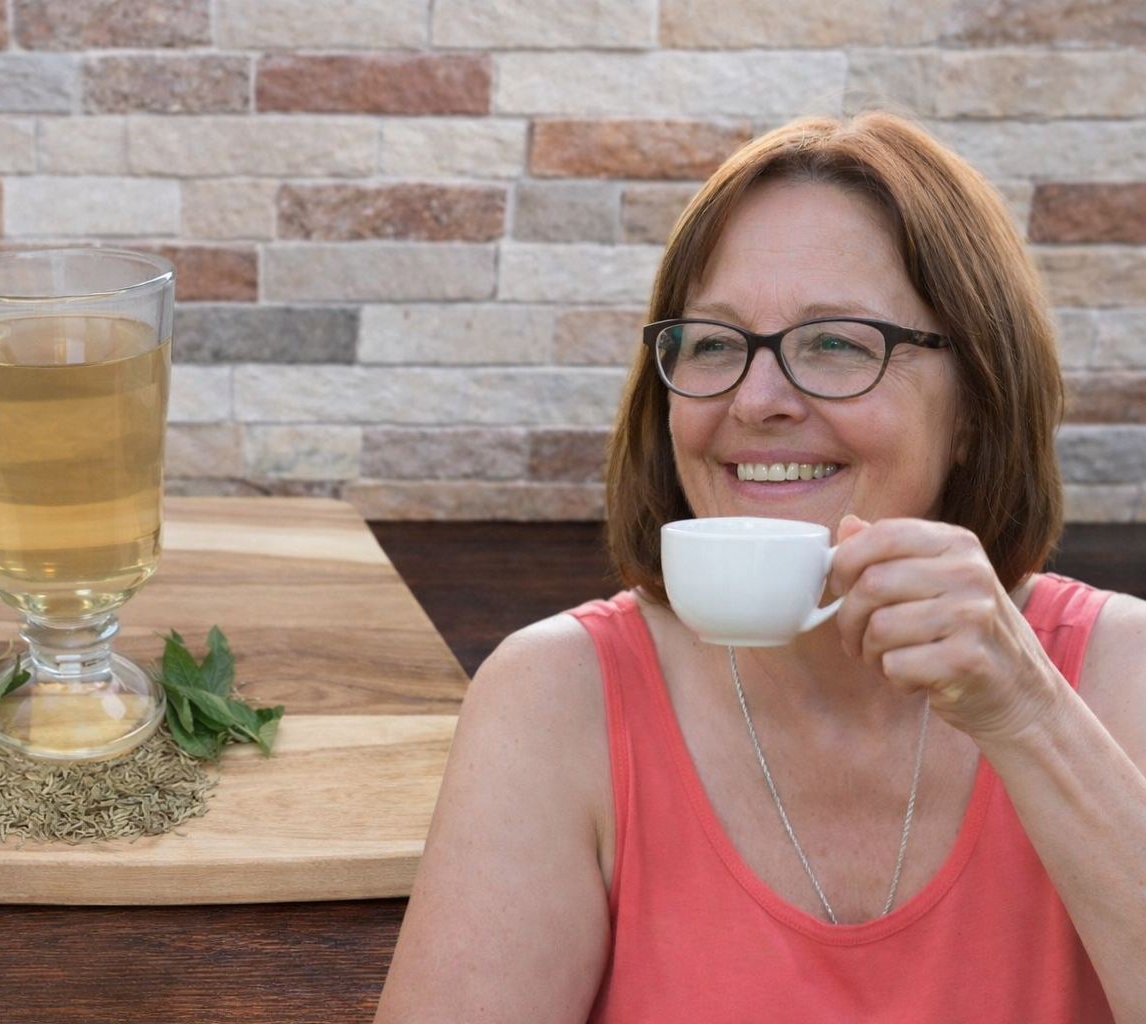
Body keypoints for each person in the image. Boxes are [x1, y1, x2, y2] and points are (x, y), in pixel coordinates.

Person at [374, 111, 1146, 1023]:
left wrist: (1027, 715)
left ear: (974, 405)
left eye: (837, 342)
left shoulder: (1120, 678)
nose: (756, 399)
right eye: (713, 343)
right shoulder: (556, 699)